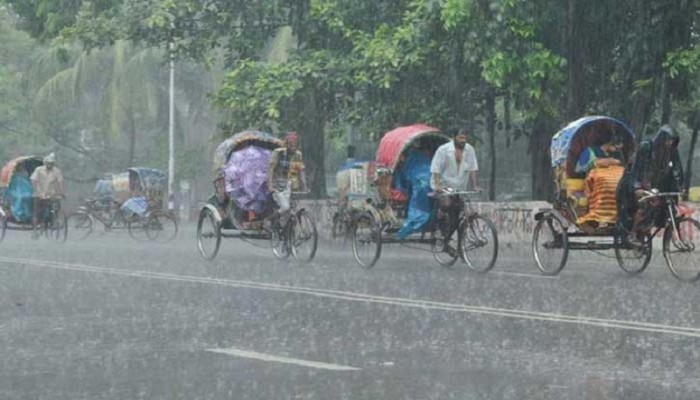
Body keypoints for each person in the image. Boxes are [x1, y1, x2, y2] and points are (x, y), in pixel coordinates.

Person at [617, 125, 685, 241]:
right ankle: (633, 232)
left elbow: (676, 169)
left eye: (672, 141)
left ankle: (671, 233)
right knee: (645, 205)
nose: (670, 143)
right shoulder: (646, 147)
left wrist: (679, 186)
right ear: (662, 138)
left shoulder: (672, 151)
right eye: (668, 140)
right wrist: (637, 187)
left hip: (657, 186)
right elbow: (636, 169)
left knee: (670, 207)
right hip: (636, 183)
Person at [393, 140, 433, 239]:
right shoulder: (427, 158)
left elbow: (405, 175)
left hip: (419, 185)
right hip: (427, 184)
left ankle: (410, 225)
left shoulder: (413, 157)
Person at [268, 132, 307, 218]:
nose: (292, 147)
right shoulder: (278, 153)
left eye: (294, 145)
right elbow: (271, 169)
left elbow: (301, 171)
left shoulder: (298, 155)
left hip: (289, 184)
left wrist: (304, 187)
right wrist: (270, 185)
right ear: (286, 144)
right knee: (285, 208)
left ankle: (289, 229)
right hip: (277, 184)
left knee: (292, 209)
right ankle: (271, 219)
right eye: (290, 144)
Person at [430, 126, 481, 192]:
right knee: (446, 201)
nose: (463, 140)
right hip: (443, 185)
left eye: (465, 138)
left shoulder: (469, 150)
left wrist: (475, 186)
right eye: (460, 138)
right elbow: (436, 168)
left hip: (459, 186)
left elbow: (473, 168)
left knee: (460, 201)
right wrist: (438, 186)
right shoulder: (443, 150)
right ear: (454, 137)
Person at [30, 153, 65, 236]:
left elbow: (60, 182)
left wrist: (62, 192)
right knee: (36, 212)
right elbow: (33, 180)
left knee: (55, 207)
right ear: (45, 163)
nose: (50, 164)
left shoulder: (57, 171)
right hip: (39, 194)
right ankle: (35, 230)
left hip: (51, 194)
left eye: (52, 163)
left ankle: (54, 221)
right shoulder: (39, 169)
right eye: (49, 163)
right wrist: (38, 191)